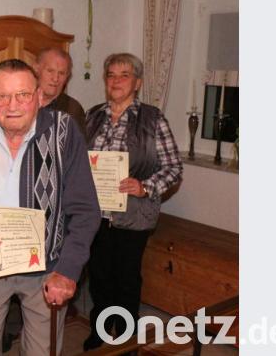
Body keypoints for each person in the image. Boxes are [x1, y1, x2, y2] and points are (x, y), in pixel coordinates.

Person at [0, 59, 101, 355]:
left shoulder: (64, 133)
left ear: (38, 96)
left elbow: (85, 209)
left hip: (47, 269)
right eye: (2, 96)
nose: (12, 105)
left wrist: (68, 270)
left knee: (42, 351)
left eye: (23, 95)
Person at [83, 53, 183, 351]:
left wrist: (145, 187)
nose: (116, 81)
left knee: (126, 279)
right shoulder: (93, 115)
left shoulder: (153, 119)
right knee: (99, 276)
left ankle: (126, 338)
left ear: (137, 82)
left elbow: (174, 168)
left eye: (124, 75)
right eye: (111, 75)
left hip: (134, 214)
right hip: (96, 214)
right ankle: (101, 328)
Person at [34, 47, 88, 141]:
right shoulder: (22, 101)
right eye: (50, 71)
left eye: (61, 73)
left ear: (67, 77)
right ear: (36, 69)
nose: (55, 78)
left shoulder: (72, 109)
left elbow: (78, 146)